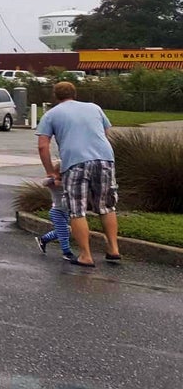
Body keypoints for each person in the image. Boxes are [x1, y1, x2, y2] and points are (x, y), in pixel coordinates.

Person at [35, 81, 121, 267]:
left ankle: (85, 256)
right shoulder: (94, 108)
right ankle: (113, 249)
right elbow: (105, 133)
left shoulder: (51, 114)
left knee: (76, 210)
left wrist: (51, 172)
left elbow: (43, 146)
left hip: (75, 162)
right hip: (105, 158)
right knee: (107, 206)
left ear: (55, 96)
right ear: (75, 93)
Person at [35, 174, 75, 261]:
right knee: (64, 231)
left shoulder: (69, 180)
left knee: (65, 230)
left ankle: (44, 239)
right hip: (57, 211)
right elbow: (44, 182)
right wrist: (53, 180)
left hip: (67, 211)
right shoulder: (53, 184)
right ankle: (66, 252)